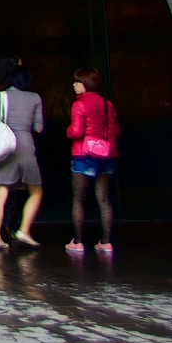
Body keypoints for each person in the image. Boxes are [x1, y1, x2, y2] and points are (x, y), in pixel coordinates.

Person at [0, 61, 45, 250]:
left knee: (1, 195)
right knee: (36, 191)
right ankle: (24, 230)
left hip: (5, 149)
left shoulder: (0, 96)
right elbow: (39, 127)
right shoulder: (35, 98)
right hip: (26, 148)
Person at [65, 68, 120, 257]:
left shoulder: (78, 105)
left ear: (86, 83)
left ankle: (78, 242)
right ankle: (106, 242)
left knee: (78, 200)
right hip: (107, 155)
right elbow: (116, 131)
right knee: (103, 199)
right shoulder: (108, 105)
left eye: (77, 81)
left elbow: (76, 132)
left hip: (83, 155)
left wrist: (67, 131)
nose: (74, 85)